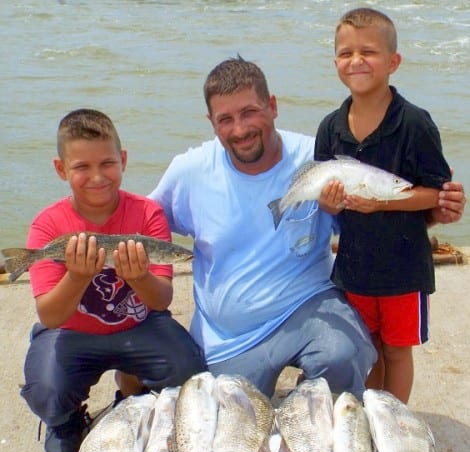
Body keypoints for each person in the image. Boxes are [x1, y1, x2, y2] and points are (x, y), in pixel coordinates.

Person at [148, 56, 465, 401]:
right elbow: (143, 223)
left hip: (309, 304)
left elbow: (375, 213)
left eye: (250, 112)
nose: (240, 130)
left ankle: (316, 408)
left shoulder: (318, 154)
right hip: (229, 337)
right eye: (226, 119)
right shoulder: (189, 171)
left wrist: (435, 211)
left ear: (272, 106)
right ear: (211, 122)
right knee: (228, 421)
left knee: (345, 355)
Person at [21, 109, 207, 452]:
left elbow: (161, 299)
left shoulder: (148, 214)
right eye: (81, 167)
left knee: (191, 373)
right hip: (71, 332)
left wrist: (138, 276)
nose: (96, 177)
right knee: (46, 389)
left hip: (139, 325)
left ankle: (131, 392)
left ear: (122, 160)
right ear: (61, 170)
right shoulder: (48, 226)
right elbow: (51, 314)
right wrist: (76, 276)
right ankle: (66, 421)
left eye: (107, 164)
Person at [313, 8, 460, 403]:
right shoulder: (330, 127)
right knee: (367, 347)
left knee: (396, 350)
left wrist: (382, 204)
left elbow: (436, 193)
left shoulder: (414, 123)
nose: (356, 61)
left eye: (369, 52)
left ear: (393, 62)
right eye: (346, 53)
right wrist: (328, 203)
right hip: (354, 267)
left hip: (404, 269)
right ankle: (371, 415)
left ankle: (394, 419)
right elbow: (329, 206)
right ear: (335, 63)